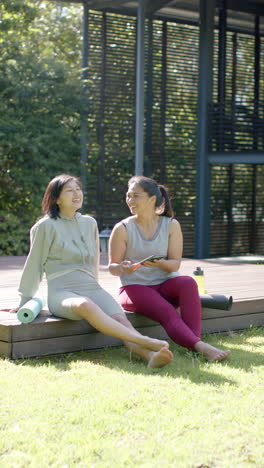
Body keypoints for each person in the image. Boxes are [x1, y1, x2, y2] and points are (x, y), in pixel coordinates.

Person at [12, 174, 173, 368]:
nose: (76, 193)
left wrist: (98, 290)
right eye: (69, 190)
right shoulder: (45, 226)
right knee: (85, 305)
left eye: (78, 189)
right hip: (62, 291)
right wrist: (24, 299)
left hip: (90, 286)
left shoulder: (90, 223)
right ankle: (145, 341)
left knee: (119, 317)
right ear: (56, 198)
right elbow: (34, 264)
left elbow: (94, 261)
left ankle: (147, 355)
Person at [109, 175, 231, 362]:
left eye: (135, 196)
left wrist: (159, 263)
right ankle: (201, 347)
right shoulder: (122, 228)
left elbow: (175, 264)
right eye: (128, 195)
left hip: (165, 285)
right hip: (135, 288)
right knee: (168, 311)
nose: (130, 200)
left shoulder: (171, 225)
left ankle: (194, 342)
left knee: (187, 282)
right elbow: (112, 267)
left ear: (151, 199)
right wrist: (124, 268)